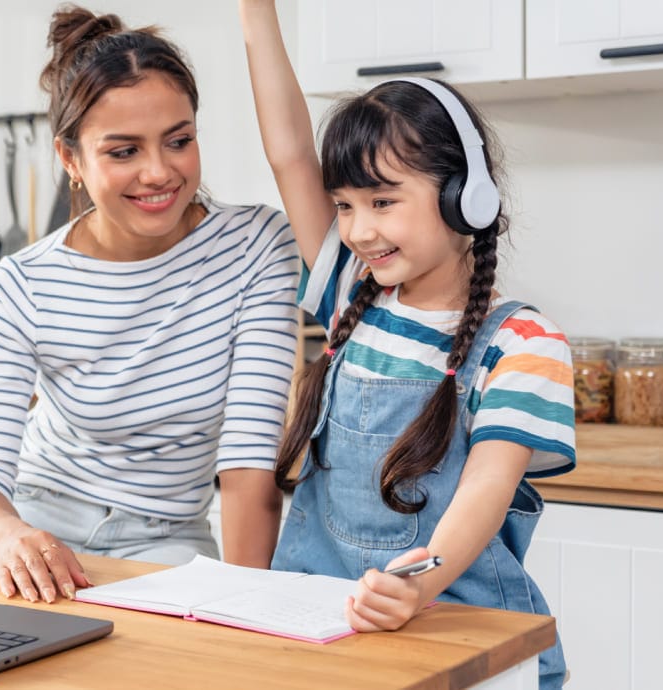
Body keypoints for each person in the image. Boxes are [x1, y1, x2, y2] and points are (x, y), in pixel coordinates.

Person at [238, 2, 574, 687]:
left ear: (464, 198)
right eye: (345, 205)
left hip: (459, 633)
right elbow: (289, 153)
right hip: (328, 628)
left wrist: (417, 583)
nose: (358, 230)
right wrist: (255, 10)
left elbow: (485, 486)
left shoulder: (524, 342)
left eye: (383, 201)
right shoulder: (348, 297)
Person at [0, 5, 299, 607]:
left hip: (167, 543)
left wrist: (251, 605)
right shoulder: (23, 283)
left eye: (179, 141)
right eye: (123, 152)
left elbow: (248, 463)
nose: (158, 172)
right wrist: (11, 536)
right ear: (71, 160)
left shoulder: (256, 247)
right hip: (36, 528)